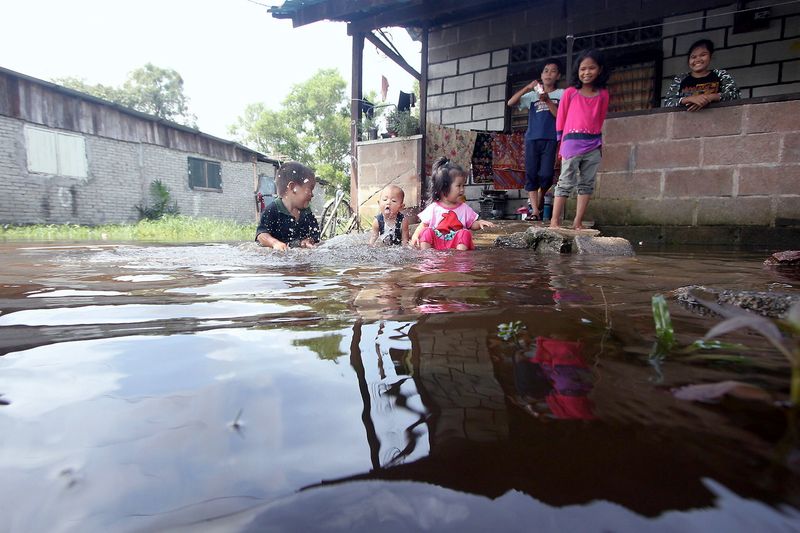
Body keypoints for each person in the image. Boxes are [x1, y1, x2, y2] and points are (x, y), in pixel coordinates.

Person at [549, 48, 610, 231]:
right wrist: (561, 141)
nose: (586, 72)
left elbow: (599, 119)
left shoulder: (603, 95)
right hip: (571, 143)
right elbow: (561, 117)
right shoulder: (570, 93)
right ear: (578, 71)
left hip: (593, 144)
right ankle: (554, 222)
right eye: (583, 69)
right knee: (565, 182)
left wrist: (598, 144)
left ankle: (577, 222)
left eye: (591, 68)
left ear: (599, 70)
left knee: (587, 184)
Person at [507, 58, 564, 221]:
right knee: (531, 174)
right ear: (541, 75)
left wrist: (547, 100)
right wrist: (527, 87)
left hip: (551, 138)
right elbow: (511, 102)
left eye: (553, 71)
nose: (548, 74)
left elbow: (561, 116)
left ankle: (540, 197)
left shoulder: (562, 94)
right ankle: (535, 212)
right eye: (545, 71)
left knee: (546, 175)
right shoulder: (532, 96)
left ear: (558, 75)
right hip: (532, 139)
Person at [410, 157, 495, 250]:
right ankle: (427, 256)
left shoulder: (464, 208)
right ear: (443, 189)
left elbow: (471, 224)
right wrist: (415, 236)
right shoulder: (433, 208)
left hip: (455, 243)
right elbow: (423, 225)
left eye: (463, 185)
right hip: (437, 243)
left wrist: (479, 223)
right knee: (426, 232)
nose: (462, 189)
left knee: (465, 233)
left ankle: (460, 258)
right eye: (458, 186)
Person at [254, 161, 320, 250]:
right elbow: (261, 235)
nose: (312, 195)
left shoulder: (306, 212)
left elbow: (315, 234)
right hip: (277, 259)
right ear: (293, 188)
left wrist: (309, 240)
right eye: (309, 189)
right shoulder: (273, 210)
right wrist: (275, 243)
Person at [664, 39, 740, 111]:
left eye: (703, 55)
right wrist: (689, 99)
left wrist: (709, 98)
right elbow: (668, 102)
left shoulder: (720, 74)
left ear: (710, 56)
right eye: (693, 57)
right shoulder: (681, 79)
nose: (697, 59)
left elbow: (734, 95)